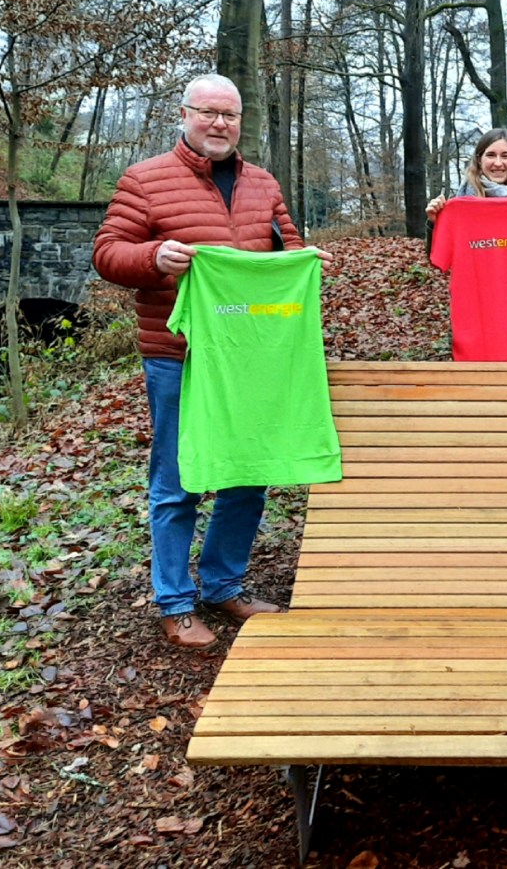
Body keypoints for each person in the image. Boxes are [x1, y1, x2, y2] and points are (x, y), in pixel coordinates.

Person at [93, 73, 333, 648]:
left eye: (230, 115)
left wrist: (306, 262)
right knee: (177, 480)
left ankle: (224, 584)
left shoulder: (263, 183)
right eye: (209, 113)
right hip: (179, 356)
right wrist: (155, 257)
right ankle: (175, 603)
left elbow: (286, 248)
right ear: (185, 114)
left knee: (248, 473)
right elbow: (107, 253)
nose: (220, 124)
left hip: (253, 358)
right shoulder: (145, 180)